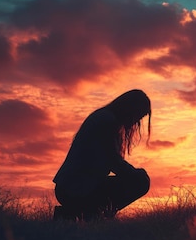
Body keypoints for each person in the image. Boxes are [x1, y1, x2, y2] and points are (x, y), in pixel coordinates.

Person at [53, 89, 151, 221]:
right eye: (138, 116)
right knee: (141, 182)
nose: (136, 121)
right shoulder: (107, 120)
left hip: (72, 186)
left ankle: (74, 213)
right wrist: (136, 174)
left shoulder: (104, 118)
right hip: (75, 188)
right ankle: (90, 213)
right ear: (130, 108)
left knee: (138, 179)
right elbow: (113, 161)